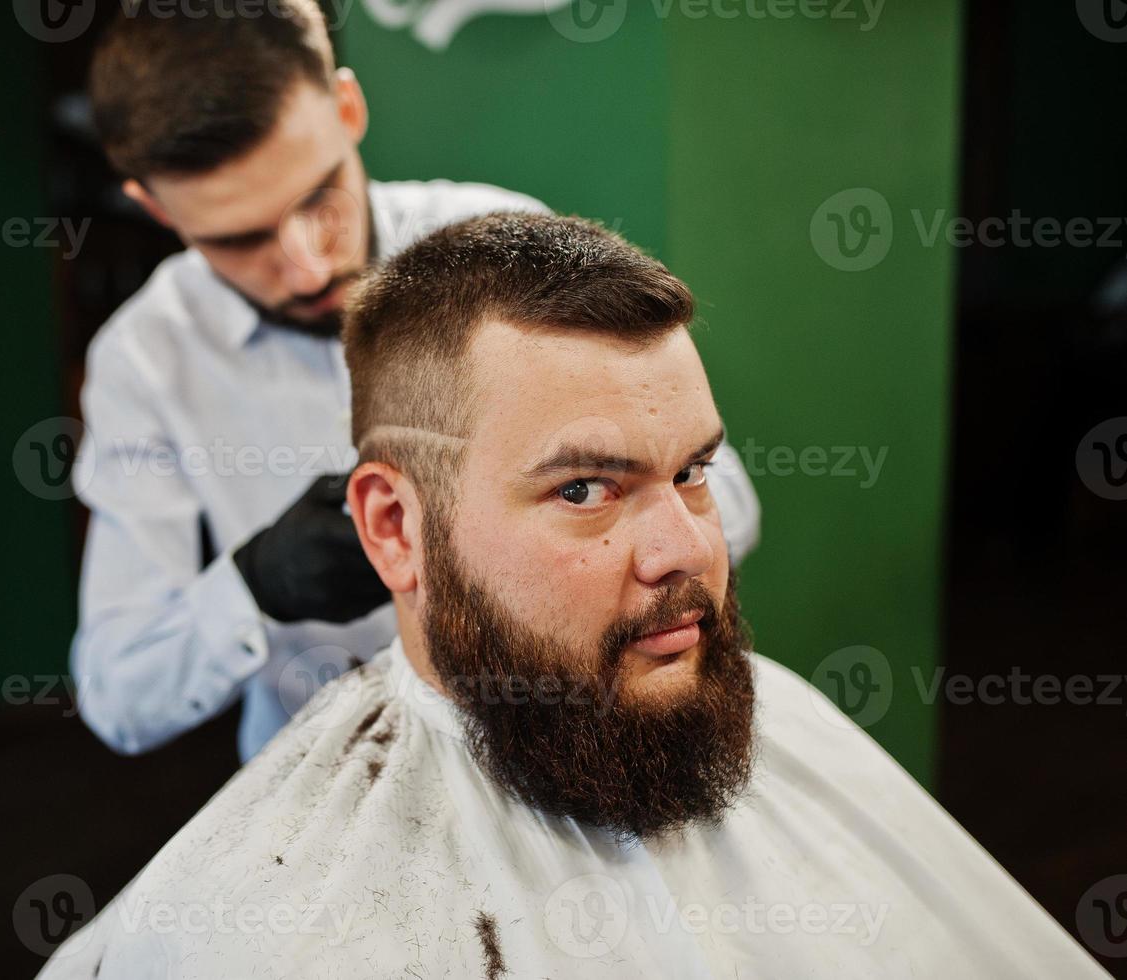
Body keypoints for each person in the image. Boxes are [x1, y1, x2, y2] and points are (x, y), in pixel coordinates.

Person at [38, 213, 1104, 978]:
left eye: (692, 469)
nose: (687, 546)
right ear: (395, 528)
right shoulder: (260, 925)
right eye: (586, 488)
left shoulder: (790, 725)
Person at [71, 1, 761, 762]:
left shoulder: (503, 257)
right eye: (239, 240)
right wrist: (253, 587)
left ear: (347, 106)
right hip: (329, 778)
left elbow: (725, 501)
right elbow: (117, 695)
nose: (306, 266)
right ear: (152, 206)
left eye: (316, 198)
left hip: (566, 742)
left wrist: (540, 528)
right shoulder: (145, 360)